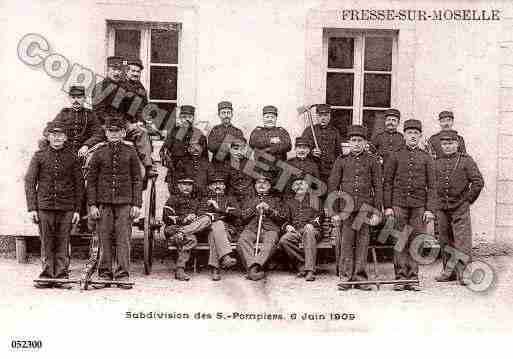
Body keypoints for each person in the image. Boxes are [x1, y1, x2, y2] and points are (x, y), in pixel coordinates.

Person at [87, 114, 142, 289]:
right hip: (103, 203)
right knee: (104, 237)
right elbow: (92, 181)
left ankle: (122, 275)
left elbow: (137, 179)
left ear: (123, 133)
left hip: (125, 203)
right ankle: (104, 274)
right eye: (110, 131)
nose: (114, 135)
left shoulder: (131, 152)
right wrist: (93, 205)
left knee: (123, 238)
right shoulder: (99, 152)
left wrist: (136, 204)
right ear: (106, 133)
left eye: (117, 131)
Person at [25, 121, 83, 288]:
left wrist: (77, 209)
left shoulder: (72, 157)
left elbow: (79, 185)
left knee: (63, 241)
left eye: (61, 135)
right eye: (54, 135)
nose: (57, 138)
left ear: (65, 137)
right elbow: (30, 182)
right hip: (45, 206)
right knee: (47, 241)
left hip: (67, 207)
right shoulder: (39, 156)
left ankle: (62, 275)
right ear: (48, 136)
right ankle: (47, 274)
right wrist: (32, 208)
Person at [383, 119, 437, 291]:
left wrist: (430, 209)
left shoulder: (426, 157)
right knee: (400, 240)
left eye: (416, 133)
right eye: (409, 133)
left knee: (416, 241)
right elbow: (388, 183)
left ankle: (413, 278)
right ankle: (400, 278)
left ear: (420, 136)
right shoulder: (395, 155)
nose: (413, 136)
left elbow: (432, 186)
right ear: (404, 135)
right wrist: (388, 206)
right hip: (398, 204)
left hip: (419, 206)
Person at [328, 125, 382, 291]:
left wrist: (376, 211)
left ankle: (360, 277)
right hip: (346, 210)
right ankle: (345, 277)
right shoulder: (341, 160)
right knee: (346, 243)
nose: (356, 143)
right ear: (349, 142)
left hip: (364, 210)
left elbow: (378, 187)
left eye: (360, 140)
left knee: (362, 244)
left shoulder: (372, 160)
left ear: (365, 142)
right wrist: (334, 212)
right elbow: (332, 187)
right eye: (353, 140)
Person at [433, 130, 483, 285]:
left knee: (462, 241)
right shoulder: (436, 162)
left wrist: (467, 200)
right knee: (444, 240)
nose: (447, 147)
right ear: (441, 145)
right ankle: (449, 273)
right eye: (444, 144)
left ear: (457, 144)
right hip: (441, 207)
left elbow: (478, 182)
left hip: (460, 206)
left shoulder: (466, 161)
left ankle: (465, 274)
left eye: (450, 143)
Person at [237, 174, 286, 281]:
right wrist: (254, 209)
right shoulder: (248, 200)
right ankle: (253, 268)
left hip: (270, 229)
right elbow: (242, 217)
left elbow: (282, 218)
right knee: (242, 240)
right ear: (255, 186)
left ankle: (254, 267)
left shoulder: (276, 200)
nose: (262, 185)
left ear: (270, 186)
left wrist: (269, 210)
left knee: (271, 241)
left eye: (265, 183)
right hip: (252, 228)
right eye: (259, 182)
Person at [197, 173, 240, 281]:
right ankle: (225, 257)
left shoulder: (230, 199)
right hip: (207, 230)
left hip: (227, 231)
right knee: (216, 225)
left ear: (224, 187)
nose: (218, 186)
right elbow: (200, 214)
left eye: (220, 184)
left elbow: (238, 214)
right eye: (214, 184)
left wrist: (217, 208)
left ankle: (215, 269)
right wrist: (223, 214)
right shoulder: (205, 200)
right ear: (210, 187)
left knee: (215, 230)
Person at [279, 175, 322, 281]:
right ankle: (302, 265)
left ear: (307, 186)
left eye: (302, 183)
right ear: (293, 188)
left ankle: (310, 271)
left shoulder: (315, 200)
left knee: (308, 231)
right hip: (297, 231)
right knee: (284, 240)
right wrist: (287, 226)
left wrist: (311, 224)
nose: (299, 186)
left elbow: (320, 216)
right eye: (296, 184)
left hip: (313, 230)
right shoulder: (289, 202)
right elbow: (284, 220)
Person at [43, 85, 104, 158]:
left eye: (79, 97)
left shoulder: (90, 114)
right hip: (65, 148)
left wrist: (86, 145)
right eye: (73, 98)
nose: (76, 101)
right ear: (69, 99)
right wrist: (58, 141)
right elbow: (48, 129)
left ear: (84, 99)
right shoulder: (64, 113)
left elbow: (98, 133)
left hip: (84, 150)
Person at [161, 105, 207, 192]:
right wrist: (169, 162)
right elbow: (163, 151)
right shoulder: (174, 133)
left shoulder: (199, 134)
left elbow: (205, 158)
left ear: (193, 118)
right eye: (184, 117)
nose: (186, 119)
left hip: (193, 174)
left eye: (189, 117)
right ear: (179, 118)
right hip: (175, 173)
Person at [301, 104, 341, 184]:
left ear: (329, 116)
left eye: (325, 115)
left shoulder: (335, 131)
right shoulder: (309, 131)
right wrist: (312, 152)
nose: (323, 118)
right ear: (316, 116)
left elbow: (338, 152)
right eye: (320, 115)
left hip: (329, 170)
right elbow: (301, 150)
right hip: (313, 169)